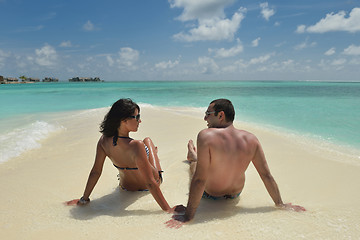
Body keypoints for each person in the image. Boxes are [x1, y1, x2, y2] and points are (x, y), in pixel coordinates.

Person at [166, 98, 305, 228]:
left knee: (195, 167)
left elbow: (200, 179)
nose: (205, 118)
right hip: (235, 194)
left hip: (211, 194)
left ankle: (193, 157)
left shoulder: (206, 136)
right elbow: (266, 175)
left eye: (208, 113)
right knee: (205, 164)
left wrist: (188, 216)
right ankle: (194, 156)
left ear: (221, 115)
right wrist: (280, 204)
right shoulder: (251, 139)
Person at [70, 98, 171, 212]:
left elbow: (96, 172)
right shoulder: (137, 145)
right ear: (124, 120)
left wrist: (84, 199)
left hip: (126, 188)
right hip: (147, 186)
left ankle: (148, 155)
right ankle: (151, 154)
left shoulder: (103, 141)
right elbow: (150, 183)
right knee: (147, 141)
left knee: (144, 151)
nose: (140, 121)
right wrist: (168, 210)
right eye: (137, 117)